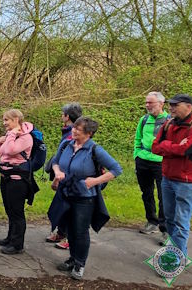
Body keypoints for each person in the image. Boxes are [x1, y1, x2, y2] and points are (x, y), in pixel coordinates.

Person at [49, 117, 122, 280]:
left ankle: (80, 264)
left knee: (80, 231)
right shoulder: (66, 144)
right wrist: (57, 172)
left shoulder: (95, 149)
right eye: (74, 127)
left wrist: (94, 181)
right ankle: (72, 258)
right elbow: (55, 161)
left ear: (89, 133)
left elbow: (117, 169)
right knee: (69, 229)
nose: (73, 131)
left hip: (84, 198)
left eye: (78, 130)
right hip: (65, 193)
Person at [152, 94, 192, 259]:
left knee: (181, 222)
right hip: (168, 178)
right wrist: (172, 146)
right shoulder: (168, 124)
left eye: (176, 105)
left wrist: (166, 146)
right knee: (169, 220)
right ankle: (179, 254)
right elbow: (154, 147)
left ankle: (173, 260)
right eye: (171, 105)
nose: (171, 108)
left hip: (188, 182)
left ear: (189, 107)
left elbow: (186, 150)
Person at [0, 109, 34, 255]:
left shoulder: (25, 138)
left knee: (17, 212)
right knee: (9, 210)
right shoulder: (12, 135)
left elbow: (10, 150)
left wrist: (10, 135)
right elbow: (2, 152)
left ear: (16, 119)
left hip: (18, 181)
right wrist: (0, 143)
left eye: (7, 120)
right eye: (4, 120)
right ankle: (10, 238)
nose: (4, 123)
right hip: (6, 177)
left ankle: (17, 245)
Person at [134, 92, 170, 243]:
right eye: (146, 102)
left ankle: (166, 229)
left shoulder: (170, 121)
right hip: (143, 160)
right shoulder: (144, 120)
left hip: (161, 162)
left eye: (151, 103)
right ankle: (152, 222)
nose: (147, 105)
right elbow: (137, 139)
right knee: (146, 193)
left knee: (164, 196)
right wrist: (137, 155)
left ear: (161, 104)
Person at [47, 102, 83, 250]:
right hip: (63, 174)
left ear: (67, 116)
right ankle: (61, 232)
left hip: (70, 177)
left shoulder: (72, 134)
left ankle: (70, 237)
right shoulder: (67, 131)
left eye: (62, 114)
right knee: (60, 206)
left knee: (68, 208)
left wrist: (57, 176)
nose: (61, 116)